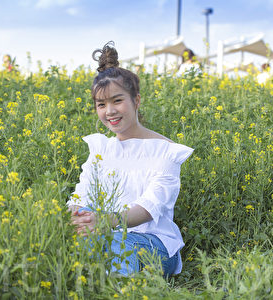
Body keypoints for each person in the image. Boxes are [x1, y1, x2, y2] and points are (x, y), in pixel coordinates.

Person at [66, 41, 194, 277]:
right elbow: (81, 194)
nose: (110, 112)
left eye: (117, 101)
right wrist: (79, 218)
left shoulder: (166, 151)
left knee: (119, 246)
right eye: (101, 105)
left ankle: (110, 280)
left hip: (152, 242)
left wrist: (106, 222)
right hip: (102, 232)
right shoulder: (100, 148)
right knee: (61, 237)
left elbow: (148, 209)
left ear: (136, 100)